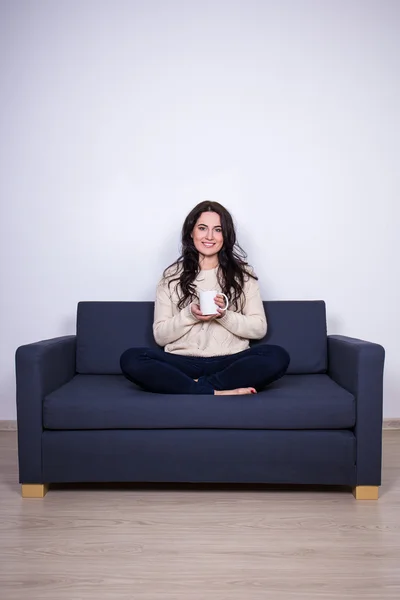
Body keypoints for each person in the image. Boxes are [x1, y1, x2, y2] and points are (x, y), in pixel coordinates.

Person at [120, 201, 290, 395]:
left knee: (277, 356)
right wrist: (190, 315)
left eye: (217, 230)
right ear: (191, 232)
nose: (209, 236)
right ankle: (218, 390)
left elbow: (259, 328)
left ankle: (192, 386)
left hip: (230, 360)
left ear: (225, 236)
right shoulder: (171, 277)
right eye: (202, 228)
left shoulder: (244, 275)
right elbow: (160, 336)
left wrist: (223, 315)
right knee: (132, 358)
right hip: (182, 361)